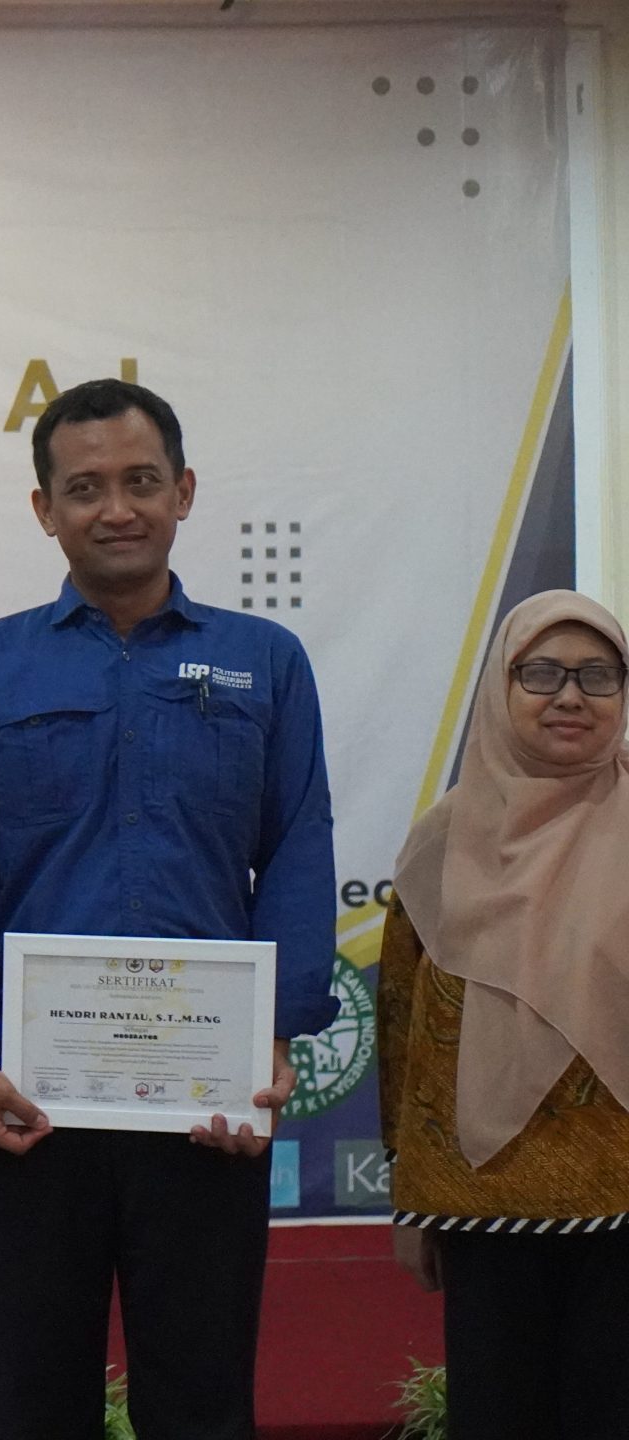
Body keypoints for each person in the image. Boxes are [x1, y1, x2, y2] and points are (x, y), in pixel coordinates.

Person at [0, 379, 338, 1440]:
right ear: (44, 509)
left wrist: (273, 1031)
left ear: (182, 492)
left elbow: (296, 849)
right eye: (83, 488)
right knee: (32, 1401)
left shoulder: (264, 661)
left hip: (203, 1107)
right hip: (22, 1103)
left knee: (201, 1393)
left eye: (140, 482)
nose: (115, 508)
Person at [379, 590, 629, 1440]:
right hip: (485, 1203)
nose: (571, 696)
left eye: (598, 675)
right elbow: (403, 1028)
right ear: (501, 686)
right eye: (543, 673)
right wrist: (412, 1202)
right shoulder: (443, 843)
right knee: (498, 1415)